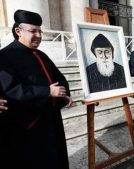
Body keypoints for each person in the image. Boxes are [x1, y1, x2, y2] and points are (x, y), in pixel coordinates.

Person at [0, 10, 72, 169]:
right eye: (33, 31)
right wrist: (47, 92)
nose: (39, 35)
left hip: (51, 119)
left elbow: (59, 78)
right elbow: (12, 90)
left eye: (40, 31)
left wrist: (64, 94)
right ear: (18, 31)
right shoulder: (5, 57)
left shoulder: (41, 54)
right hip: (28, 126)